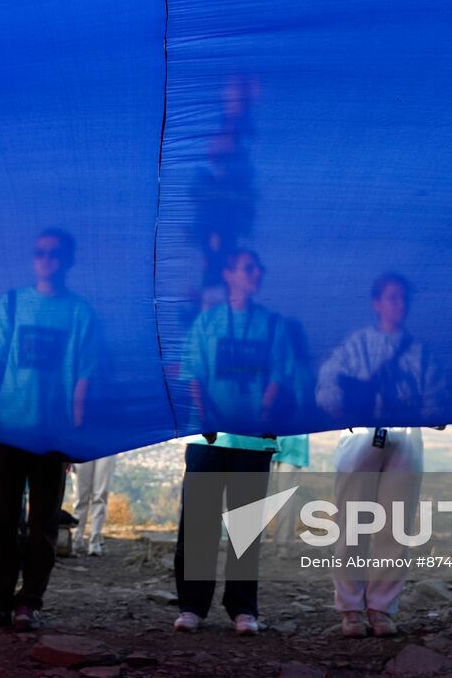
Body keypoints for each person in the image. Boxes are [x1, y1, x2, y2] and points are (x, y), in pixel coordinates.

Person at [0, 229, 102, 632]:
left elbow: (84, 375)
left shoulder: (79, 312)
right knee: (2, 519)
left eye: (54, 254)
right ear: (32, 259)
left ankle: (29, 601)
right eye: (40, 253)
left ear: (67, 261)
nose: (46, 260)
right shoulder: (12, 303)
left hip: (52, 434)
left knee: (43, 523)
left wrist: (75, 431)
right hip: (10, 428)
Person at [317, 272, 443, 638]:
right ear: (376, 303)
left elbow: (436, 396)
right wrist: (337, 407)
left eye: (403, 298)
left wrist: (435, 411)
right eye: (391, 297)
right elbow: (327, 382)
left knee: (395, 525)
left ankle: (382, 607)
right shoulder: (357, 344)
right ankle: (350, 608)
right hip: (360, 435)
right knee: (353, 524)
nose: (398, 304)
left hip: (405, 436)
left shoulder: (419, 351)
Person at [173, 249, 292, 637]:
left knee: (246, 527)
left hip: (254, 441)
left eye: (258, 268)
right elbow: (192, 374)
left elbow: (280, 376)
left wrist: (261, 411)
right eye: (247, 268)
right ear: (229, 274)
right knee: (199, 522)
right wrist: (207, 415)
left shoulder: (273, 325)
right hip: (208, 437)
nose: (255, 273)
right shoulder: (207, 322)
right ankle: (192, 606)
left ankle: (242, 609)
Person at [71, 453, 117, 556]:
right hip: (82, 446)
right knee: (80, 495)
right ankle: (77, 538)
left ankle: (95, 539)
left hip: (106, 448)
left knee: (100, 495)